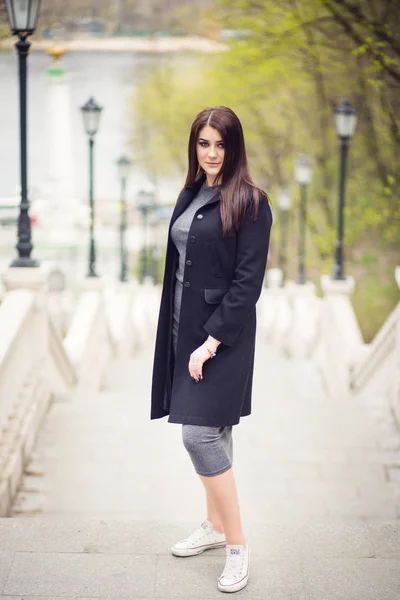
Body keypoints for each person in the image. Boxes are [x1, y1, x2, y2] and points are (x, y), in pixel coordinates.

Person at [150, 106, 273, 593]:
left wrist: (211, 343)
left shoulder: (251, 202)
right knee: (214, 432)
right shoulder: (190, 192)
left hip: (223, 336)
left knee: (198, 436)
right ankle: (214, 525)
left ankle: (238, 545)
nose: (212, 153)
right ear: (194, 146)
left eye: (220, 144)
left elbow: (247, 284)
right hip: (185, 330)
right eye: (204, 143)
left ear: (235, 147)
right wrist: (184, 339)